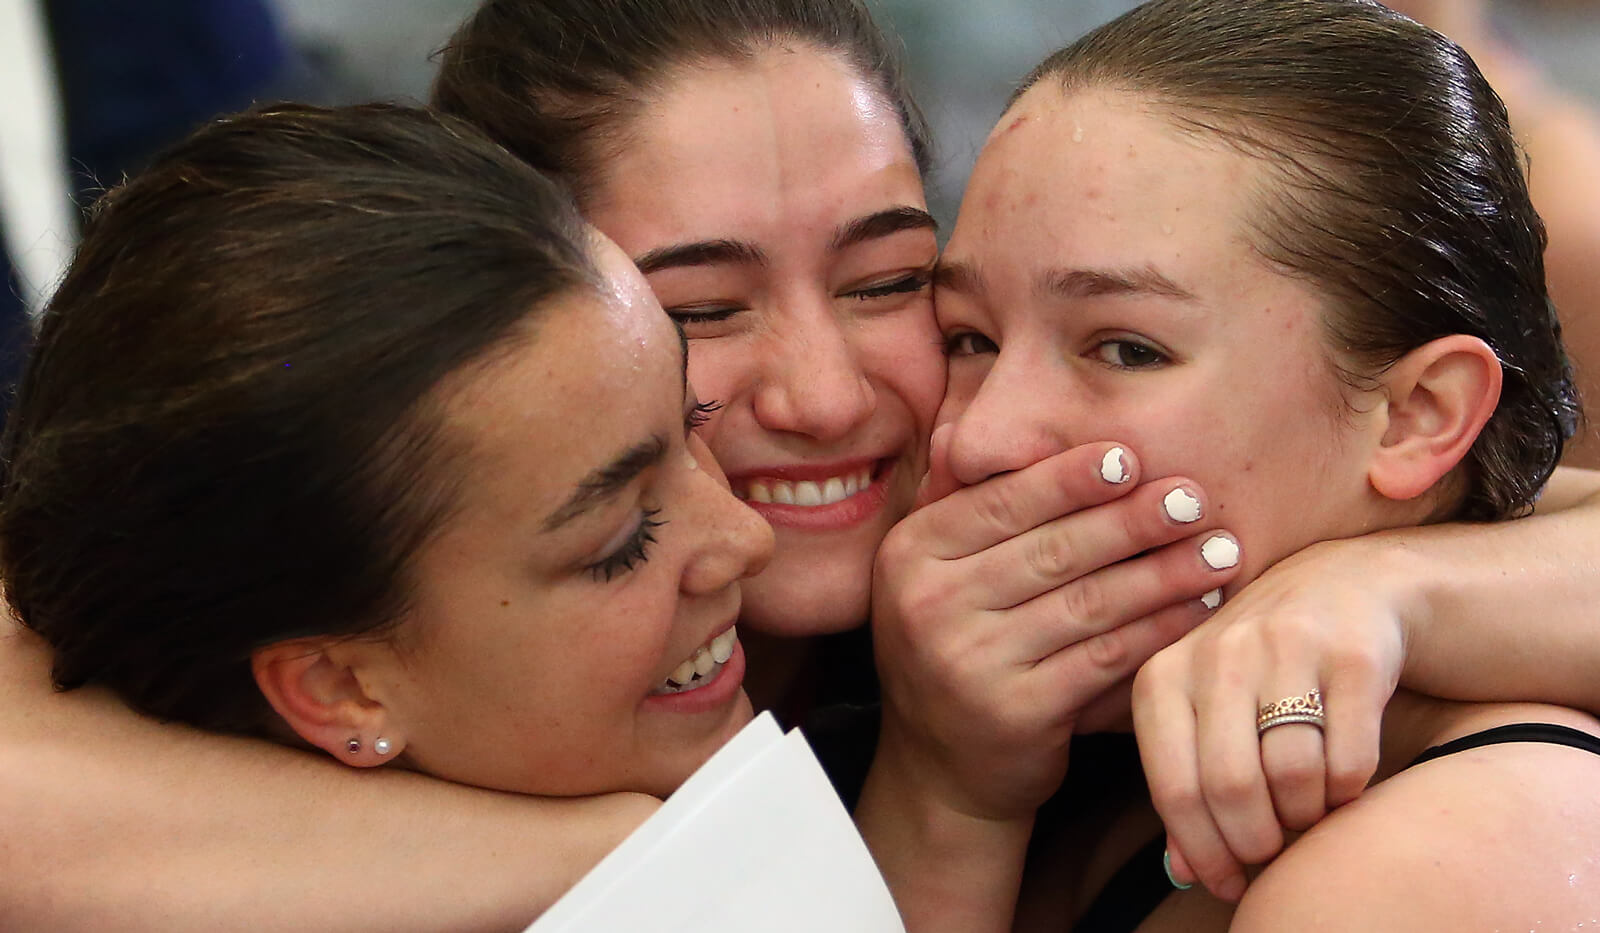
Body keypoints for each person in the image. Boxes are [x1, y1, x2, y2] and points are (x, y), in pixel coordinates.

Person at [5, 0, 1600, 927]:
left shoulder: (970, 499)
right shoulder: (302, 551)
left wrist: (1385, 593)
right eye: (695, 312)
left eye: (900, 286)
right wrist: (718, 862)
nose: (848, 399)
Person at [867, 0, 1600, 929]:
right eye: (968, 336)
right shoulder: (1085, 740)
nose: (978, 440)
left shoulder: (1422, 864)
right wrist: (948, 785)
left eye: (1127, 349)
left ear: (1419, 416)